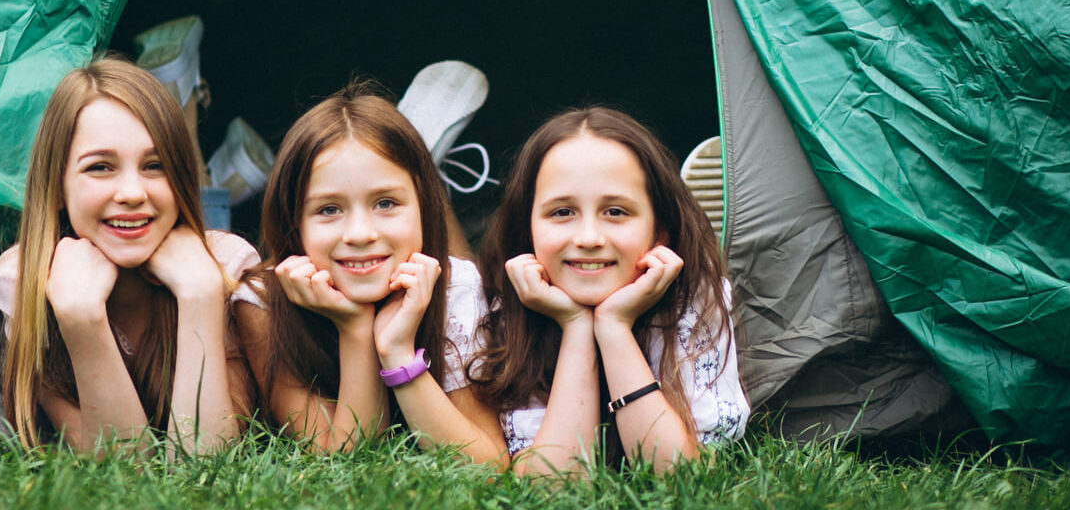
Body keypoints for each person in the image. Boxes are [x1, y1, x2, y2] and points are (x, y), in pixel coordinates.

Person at [0, 57, 257, 455]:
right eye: (100, 167)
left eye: (155, 166)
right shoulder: (26, 277)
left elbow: (206, 463)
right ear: (58, 185)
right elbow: (125, 471)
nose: (132, 191)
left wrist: (200, 294)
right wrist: (82, 316)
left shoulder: (225, 266)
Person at [234, 84, 507, 465]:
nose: (360, 234)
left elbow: (489, 466)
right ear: (293, 222)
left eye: (385, 203)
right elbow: (344, 461)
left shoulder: (458, 289)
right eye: (329, 209)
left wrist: (397, 351)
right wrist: (355, 328)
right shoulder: (262, 303)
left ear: (424, 207)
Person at [469, 107, 747, 474]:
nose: (588, 238)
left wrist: (614, 327)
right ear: (528, 227)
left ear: (660, 230)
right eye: (562, 212)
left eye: (615, 212)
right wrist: (575, 326)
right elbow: (555, 485)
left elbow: (680, 477)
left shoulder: (695, 303)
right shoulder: (509, 310)